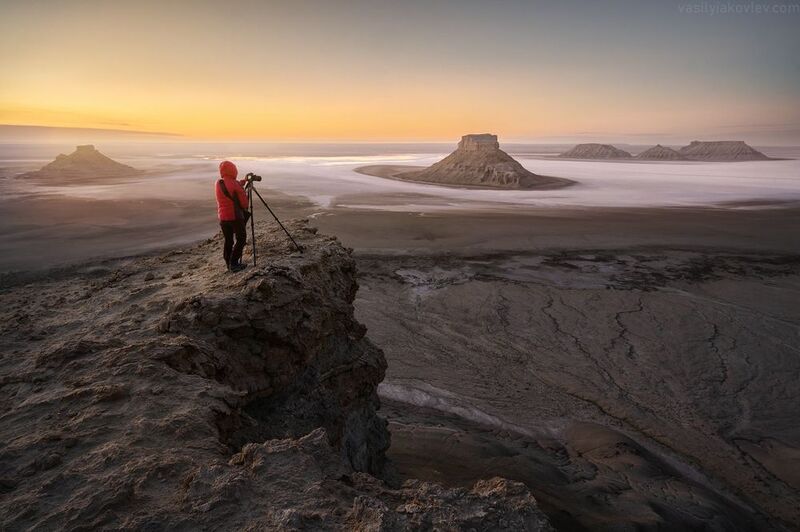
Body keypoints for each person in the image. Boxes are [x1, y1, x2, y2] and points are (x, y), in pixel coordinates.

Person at [214, 160, 249, 271]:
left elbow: (231, 186)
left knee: (229, 240)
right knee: (241, 239)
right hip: (235, 217)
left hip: (223, 218)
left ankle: (228, 262)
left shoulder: (218, 182)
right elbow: (244, 204)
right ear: (234, 170)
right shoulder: (234, 184)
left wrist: (242, 182)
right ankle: (234, 263)